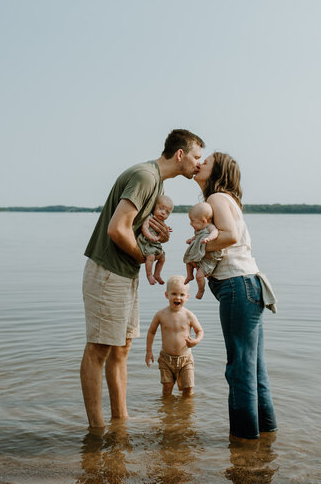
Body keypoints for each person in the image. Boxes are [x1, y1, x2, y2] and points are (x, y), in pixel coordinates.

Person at [80, 129, 205, 428]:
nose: (199, 164)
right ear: (180, 154)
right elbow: (116, 229)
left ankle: (119, 421)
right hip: (108, 272)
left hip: (124, 273)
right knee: (98, 350)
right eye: (197, 157)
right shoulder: (146, 177)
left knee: (121, 349)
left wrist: (150, 236)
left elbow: (130, 228)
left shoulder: (156, 181)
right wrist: (142, 256)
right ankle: (97, 430)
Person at [194, 152, 277, 440]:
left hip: (238, 286)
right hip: (250, 285)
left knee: (239, 371)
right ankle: (265, 439)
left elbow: (229, 237)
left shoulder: (216, 197)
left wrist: (196, 251)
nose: (199, 163)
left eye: (206, 161)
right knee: (255, 370)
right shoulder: (227, 200)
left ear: (217, 172)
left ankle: (243, 445)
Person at [145, 275, 204, 396]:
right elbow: (151, 332)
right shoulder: (160, 314)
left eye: (182, 295)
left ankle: (185, 413)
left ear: (187, 297)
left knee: (188, 389)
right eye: (174, 294)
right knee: (167, 387)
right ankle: (167, 413)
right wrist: (148, 351)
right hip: (166, 359)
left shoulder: (189, 315)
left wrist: (196, 341)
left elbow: (200, 331)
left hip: (185, 359)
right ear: (167, 295)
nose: (178, 297)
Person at [183, 201, 223, 299]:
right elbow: (197, 237)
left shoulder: (210, 227)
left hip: (208, 260)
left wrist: (209, 238)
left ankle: (201, 290)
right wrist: (191, 239)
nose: (190, 223)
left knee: (199, 276)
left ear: (204, 221)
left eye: (193, 221)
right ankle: (189, 275)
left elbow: (215, 232)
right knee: (188, 261)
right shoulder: (198, 230)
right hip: (199, 256)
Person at [137, 194, 174, 285]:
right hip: (146, 242)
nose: (163, 213)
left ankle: (157, 274)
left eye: (167, 212)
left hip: (154, 245)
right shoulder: (148, 217)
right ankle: (149, 275)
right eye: (161, 208)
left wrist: (167, 230)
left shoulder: (161, 221)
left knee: (162, 258)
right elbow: (144, 228)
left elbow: (161, 231)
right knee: (151, 257)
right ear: (153, 207)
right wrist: (151, 237)